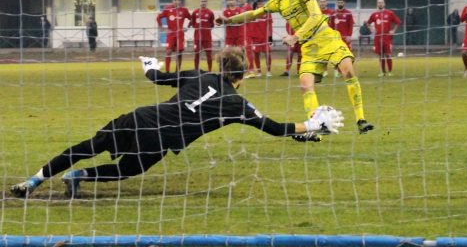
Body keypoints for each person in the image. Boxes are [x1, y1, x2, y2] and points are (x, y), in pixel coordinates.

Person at [9, 47, 344, 199]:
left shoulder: (198, 74)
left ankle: (36, 181)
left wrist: (147, 63)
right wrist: (311, 125)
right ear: (243, 77)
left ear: (217, 64)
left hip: (141, 117)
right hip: (161, 137)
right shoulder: (237, 104)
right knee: (129, 169)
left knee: (88, 147)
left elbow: (157, 77)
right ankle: (75, 176)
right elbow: (274, 128)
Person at [216, 0, 374, 140]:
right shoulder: (277, 1)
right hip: (309, 47)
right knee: (305, 85)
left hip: (326, 37)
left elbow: (316, 15)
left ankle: (361, 119)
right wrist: (228, 21)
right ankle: (315, 129)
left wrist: (295, 37)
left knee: (348, 72)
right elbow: (253, 14)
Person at [366, 0, 401, 77]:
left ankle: (390, 72)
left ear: (384, 4)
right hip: (378, 37)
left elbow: (398, 22)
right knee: (380, 55)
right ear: (377, 4)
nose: (380, 4)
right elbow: (368, 23)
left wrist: (393, 30)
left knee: (388, 54)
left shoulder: (390, 13)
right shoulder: (374, 14)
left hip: (387, 37)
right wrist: (372, 29)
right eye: (378, 3)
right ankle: (382, 72)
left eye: (381, 3)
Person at [156, 0, 191, 72]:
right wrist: (162, 28)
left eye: (178, 0)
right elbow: (158, 17)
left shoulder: (184, 10)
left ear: (180, 2)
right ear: (173, 1)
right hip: (171, 34)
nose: (177, 2)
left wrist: (187, 27)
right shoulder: (168, 9)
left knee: (179, 53)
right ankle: (167, 72)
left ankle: (177, 71)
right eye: (175, 0)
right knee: (168, 52)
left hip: (180, 35)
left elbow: (191, 18)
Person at [248, 0, 273, 77]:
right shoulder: (253, 14)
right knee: (256, 54)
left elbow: (270, 26)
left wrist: (270, 37)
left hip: (265, 38)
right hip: (256, 38)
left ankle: (268, 71)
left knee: (268, 54)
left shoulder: (267, 13)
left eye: (262, 4)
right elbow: (250, 26)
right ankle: (259, 72)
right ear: (256, 5)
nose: (261, 5)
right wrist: (251, 37)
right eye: (259, 4)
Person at [190, 0, 215, 71]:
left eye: (204, 1)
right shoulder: (195, 12)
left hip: (207, 38)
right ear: (199, 2)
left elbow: (212, 25)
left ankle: (209, 70)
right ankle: (196, 70)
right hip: (197, 38)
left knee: (209, 55)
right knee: (196, 54)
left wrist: (205, 31)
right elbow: (193, 24)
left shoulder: (210, 13)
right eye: (202, 1)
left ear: (206, 2)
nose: (203, 3)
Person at [330, 0, 354, 78]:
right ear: (337, 3)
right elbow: (331, 26)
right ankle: (337, 71)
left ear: (344, 3)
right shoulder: (333, 13)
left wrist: (349, 35)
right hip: (336, 38)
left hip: (346, 38)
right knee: (336, 55)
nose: (340, 3)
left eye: (342, 2)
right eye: (339, 2)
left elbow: (350, 25)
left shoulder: (348, 13)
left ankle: (347, 70)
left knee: (348, 55)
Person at [238, 0, 257, 77]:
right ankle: (246, 70)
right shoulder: (240, 9)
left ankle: (251, 70)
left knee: (248, 51)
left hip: (247, 33)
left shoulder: (248, 7)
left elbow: (251, 18)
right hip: (242, 33)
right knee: (242, 52)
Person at [319, 0, 334, 77]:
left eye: (324, 2)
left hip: (329, 36)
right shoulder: (316, 12)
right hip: (319, 36)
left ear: (326, 3)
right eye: (321, 2)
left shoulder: (331, 12)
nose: (322, 3)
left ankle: (336, 70)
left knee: (332, 54)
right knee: (322, 54)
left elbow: (334, 24)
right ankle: (324, 70)